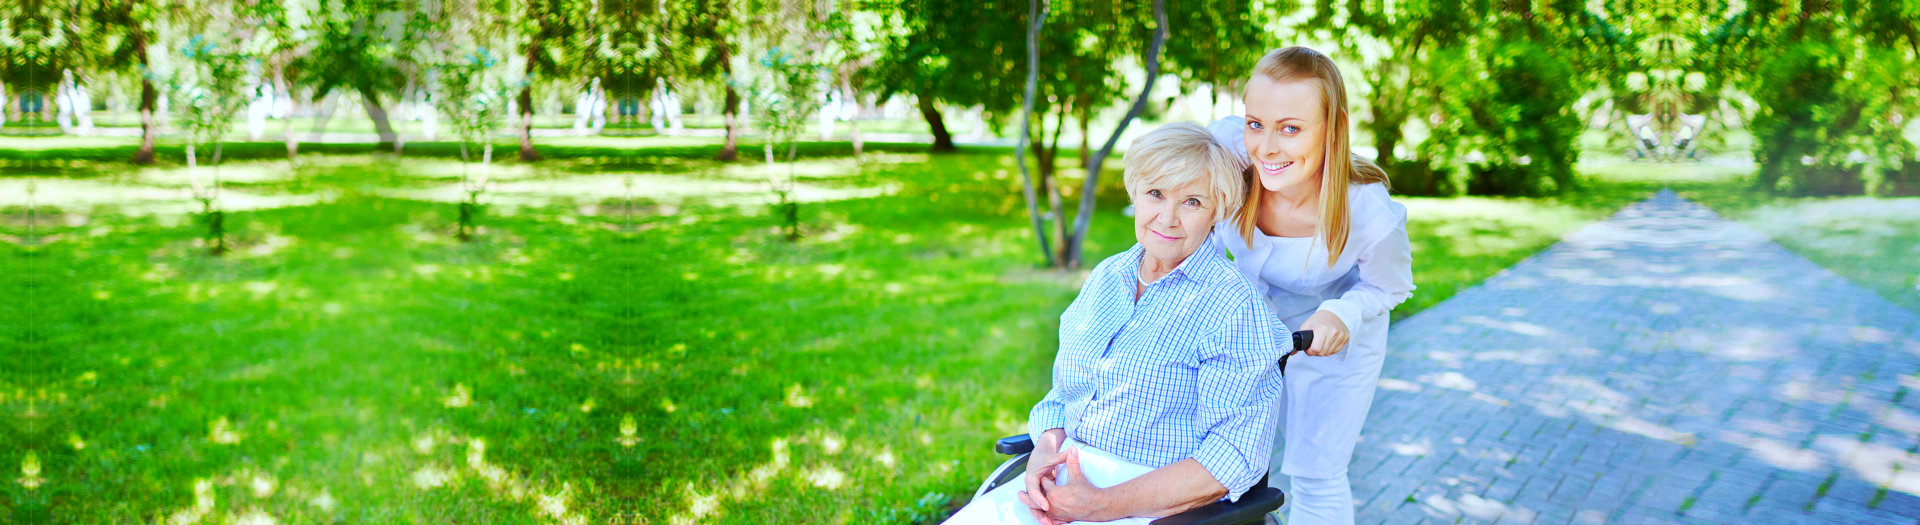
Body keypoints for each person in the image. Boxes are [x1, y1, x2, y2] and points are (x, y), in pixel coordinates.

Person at [945, 123, 1289, 525]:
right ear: (1135, 193)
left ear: (1217, 211)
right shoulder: (1109, 277)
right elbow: (1066, 392)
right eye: (1156, 194)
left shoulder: (1234, 307)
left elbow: (1232, 455)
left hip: (1152, 505)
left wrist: (1098, 505)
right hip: (1059, 486)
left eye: (1192, 202)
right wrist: (1046, 450)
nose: (1168, 217)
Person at [1205, 46, 1415, 525]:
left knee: (1317, 472)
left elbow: (1388, 288)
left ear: (1335, 129)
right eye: (1256, 123)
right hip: (1249, 318)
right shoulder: (1229, 154)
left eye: (1291, 128)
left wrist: (1342, 313)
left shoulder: (1369, 212)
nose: (1266, 147)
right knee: (1211, 452)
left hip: (1333, 334)